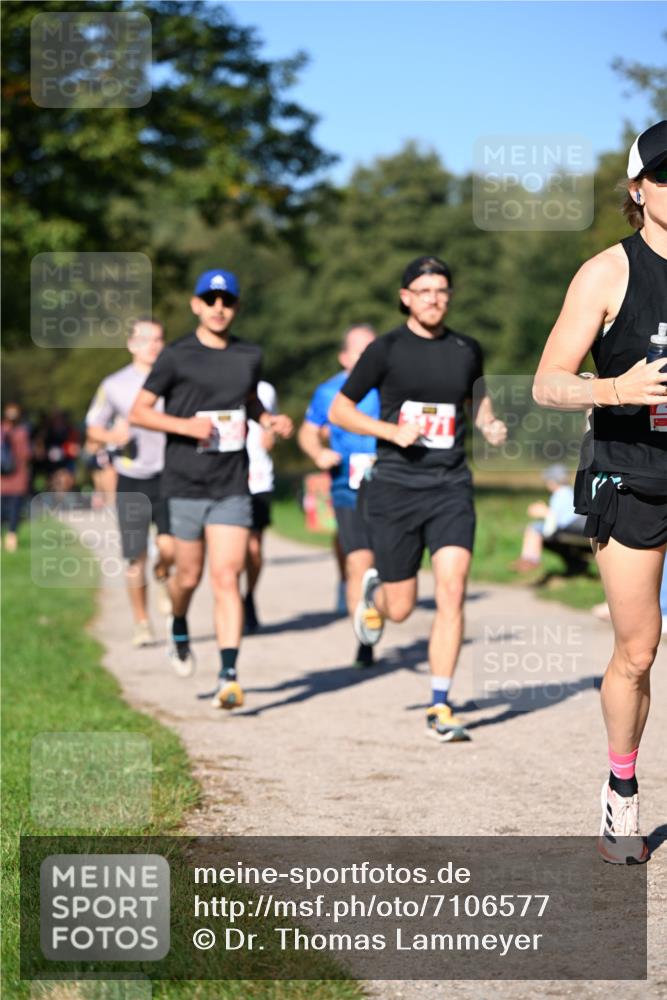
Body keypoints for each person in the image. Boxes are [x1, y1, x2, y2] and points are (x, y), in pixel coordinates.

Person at [533, 120, 667, 864]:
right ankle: (621, 789)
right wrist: (616, 386)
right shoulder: (606, 273)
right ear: (637, 188)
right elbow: (548, 381)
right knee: (639, 650)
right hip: (632, 476)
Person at [329, 256, 507, 740]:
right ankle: (377, 593)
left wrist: (488, 423)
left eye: (442, 290)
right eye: (424, 290)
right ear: (406, 296)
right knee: (402, 607)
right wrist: (390, 430)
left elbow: (476, 399)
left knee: (452, 589)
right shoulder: (384, 350)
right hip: (396, 487)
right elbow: (340, 411)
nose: (435, 298)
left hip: (449, 485)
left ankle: (440, 703)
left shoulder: (467, 348)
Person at [130, 268, 292, 709]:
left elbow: (251, 403)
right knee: (188, 576)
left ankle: (228, 674)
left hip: (232, 483)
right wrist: (185, 425)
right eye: (211, 299)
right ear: (196, 304)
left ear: (236, 307)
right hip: (184, 482)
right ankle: (178, 622)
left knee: (228, 574)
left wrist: (269, 419)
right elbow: (139, 412)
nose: (219, 308)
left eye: (228, 301)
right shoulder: (176, 356)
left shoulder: (249, 354)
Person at [86, 319, 175, 648]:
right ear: (131, 344)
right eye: (146, 339)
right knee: (134, 557)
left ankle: (163, 574)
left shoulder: (175, 379)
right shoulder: (114, 385)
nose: (153, 345)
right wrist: (112, 435)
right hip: (132, 478)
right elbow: (93, 428)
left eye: (159, 339)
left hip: (171, 475)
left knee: (171, 548)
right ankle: (141, 623)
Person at [298, 325, 381, 666]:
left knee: (386, 565)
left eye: (373, 351)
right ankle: (365, 639)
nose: (368, 359)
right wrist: (318, 454)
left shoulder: (392, 386)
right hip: (346, 486)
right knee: (359, 561)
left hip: (391, 484)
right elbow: (308, 432)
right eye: (361, 352)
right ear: (344, 357)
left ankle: (376, 607)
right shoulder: (328, 391)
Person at [244, 379, 278, 632]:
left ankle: (248, 596)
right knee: (232, 551)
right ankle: (231, 598)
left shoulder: (265, 389)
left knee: (254, 549)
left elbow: (270, 423)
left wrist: (272, 435)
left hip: (258, 478)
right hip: (223, 478)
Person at [511, 463, 586, 572]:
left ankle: (530, 559)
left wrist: (543, 513)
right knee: (535, 527)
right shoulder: (568, 492)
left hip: (570, 525)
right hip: (575, 525)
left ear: (552, 482)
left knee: (534, 527)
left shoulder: (560, 494)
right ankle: (529, 559)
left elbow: (553, 518)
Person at [1, 402, 32, 552]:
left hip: (3, 479)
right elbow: (26, 454)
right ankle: (11, 537)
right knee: (14, 510)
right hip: (18, 477)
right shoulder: (22, 432)